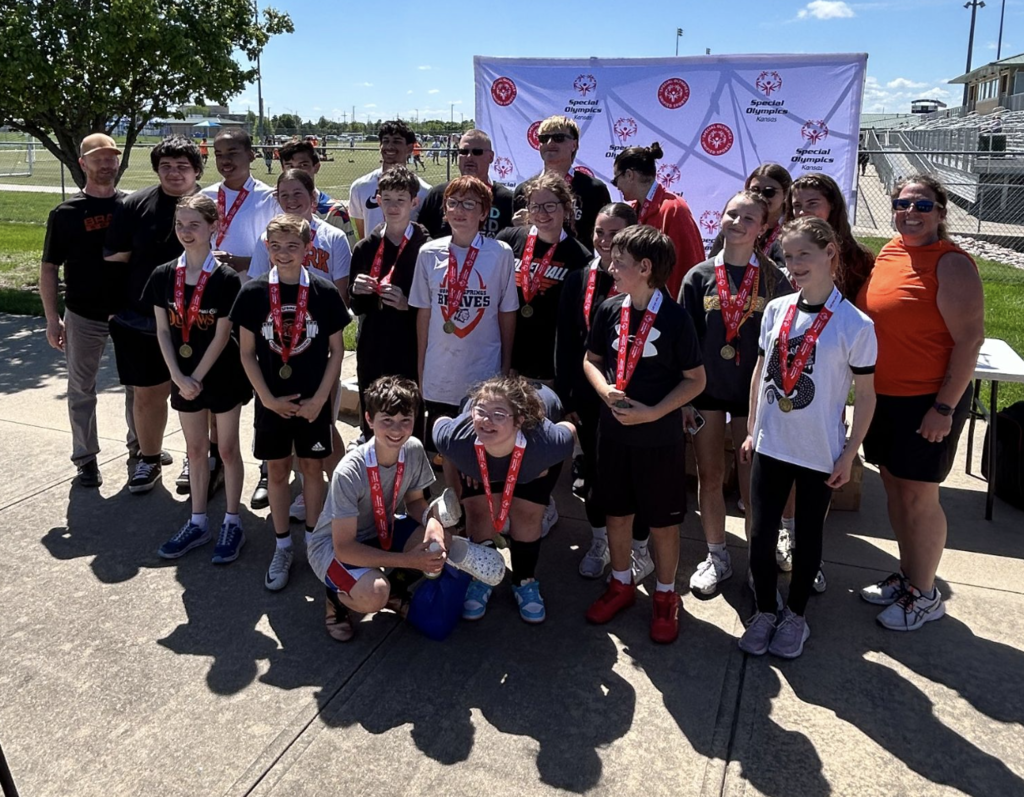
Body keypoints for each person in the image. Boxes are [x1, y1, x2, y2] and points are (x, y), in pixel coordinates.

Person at [738, 216, 877, 658]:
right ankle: (765, 610)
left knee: (808, 537)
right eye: (788, 256)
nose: (794, 264)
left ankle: (796, 615)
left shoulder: (855, 324)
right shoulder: (776, 309)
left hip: (820, 451)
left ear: (830, 253)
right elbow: (760, 371)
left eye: (804, 255)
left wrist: (849, 454)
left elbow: (867, 397)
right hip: (772, 443)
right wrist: (751, 429)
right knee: (761, 533)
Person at [856, 175, 984, 631]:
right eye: (902, 203)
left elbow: (970, 341)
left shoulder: (951, 263)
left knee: (920, 497)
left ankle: (927, 595)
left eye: (922, 205)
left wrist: (944, 408)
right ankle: (910, 576)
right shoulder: (890, 251)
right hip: (884, 398)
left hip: (927, 401)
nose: (910, 212)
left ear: (941, 212)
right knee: (894, 488)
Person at [583, 226, 706, 643]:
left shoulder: (675, 318)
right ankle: (620, 583)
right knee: (616, 513)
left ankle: (666, 595)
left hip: (659, 441)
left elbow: (696, 380)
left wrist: (653, 413)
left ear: (646, 267)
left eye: (619, 262)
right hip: (614, 436)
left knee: (662, 523)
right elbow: (591, 359)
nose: (611, 268)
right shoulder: (608, 309)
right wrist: (605, 391)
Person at [680, 190, 790, 597]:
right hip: (706, 391)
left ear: (763, 228)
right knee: (709, 475)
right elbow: (684, 342)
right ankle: (717, 556)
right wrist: (684, 398)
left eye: (749, 218)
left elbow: (783, 342)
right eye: (732, 214)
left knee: (751, 485)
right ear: (721, 218)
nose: (738, 223)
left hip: (752, 396)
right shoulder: (699, 276)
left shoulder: (775, 278)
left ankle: (757, 562)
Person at [231, 215, 349, 592]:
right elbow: (246, 353)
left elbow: (337, 350)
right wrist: (266, 398)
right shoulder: (252, 293)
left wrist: (320, 400)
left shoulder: (323, 291)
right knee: (278, 471)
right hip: (271, 402)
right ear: (267, 247)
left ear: (307, 248)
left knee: (313, 470)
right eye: (277, 247)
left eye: (293, 246)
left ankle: (314, 543)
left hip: (312, 401)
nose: (284, 254)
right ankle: (283, 545)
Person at [557, 203, 661, 581]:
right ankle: (599, 540)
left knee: (638, 477)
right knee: (596, 474)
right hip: (591, 396)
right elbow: (567, 343)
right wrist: (567, 398)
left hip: (637, 399)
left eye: (614, 234)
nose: (604, 240)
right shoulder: (577, 279)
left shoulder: (647, 284)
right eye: (599, 232)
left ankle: (639, 547)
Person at [146, 195, 251, 562]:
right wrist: (178, 377)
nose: (186, 232)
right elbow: (163, 331)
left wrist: (196, 377)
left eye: (194, 225)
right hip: (183, 376)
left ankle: (232, 521)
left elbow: (223, 335)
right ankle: (198, 521)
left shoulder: (225, 278)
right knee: (194, 451)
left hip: (221, 375)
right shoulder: (163, 275)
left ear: (213, 227)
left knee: (226, 449)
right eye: (180, 224)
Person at [306, 377, 448, 642]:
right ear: (369, 420)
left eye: (405, 420)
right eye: (387, 420)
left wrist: (434, 525)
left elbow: (415, 502)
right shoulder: (349, 471)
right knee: (374, 595)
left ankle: (394, 591)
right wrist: (409, 560)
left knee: (439, 545)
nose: (397, 429)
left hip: (382, 529)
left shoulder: (413, 449)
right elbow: (344, 547)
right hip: (333, 547)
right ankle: (336, 599)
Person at [104, 135, 202, 493]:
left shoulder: (211, 204)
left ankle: (197, 459)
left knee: (197, 395)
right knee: (147, 395)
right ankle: (148, 458)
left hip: (199, 321)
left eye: (182, 166)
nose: (174, 173)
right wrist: (115, 312)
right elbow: (115, 259)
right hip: (141, 319)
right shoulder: (135, 204)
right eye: (166, 166)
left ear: (197, 170)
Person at [434, 377, 575, 623]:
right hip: (477, 459)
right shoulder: (457, 439)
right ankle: (481, 577)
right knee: (477, 511)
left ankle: (524, 580)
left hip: (531, 460)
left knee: (526, 514)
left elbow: (569, 430)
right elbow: (439, 423)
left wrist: (544, 466)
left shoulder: (546, 443)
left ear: (519, 420)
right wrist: (460, 467)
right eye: (481, 411)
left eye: (498, 415)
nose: (487, 421)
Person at [41, 133, 135, 487]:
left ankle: (142, 447)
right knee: (82, 389)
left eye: (111, 157)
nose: (106, 164)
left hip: (128, 313)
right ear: (83, 163)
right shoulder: (66, 213)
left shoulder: (131, 206)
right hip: (82, 314)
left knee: (137, 386)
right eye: (98, 158)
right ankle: (85, 457)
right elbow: (49, 267)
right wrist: (53, 319)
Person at [408, 176, 518, 449]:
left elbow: (507, 313)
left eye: (469, 204)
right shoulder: (428, 253)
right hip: (440, 372)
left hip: (483, 370)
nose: (459, 210)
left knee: (479, 449)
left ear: (484, 213)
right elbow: (424, 315)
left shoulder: (500, 253)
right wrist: (421, 369)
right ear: (444, 210)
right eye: (453, 203)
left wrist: (505, 366)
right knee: (441, 451)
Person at [349, 167, 429, 438]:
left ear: (414, 202)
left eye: (401, 200)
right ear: (377, 200)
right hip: (373, 345)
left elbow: (435, 305)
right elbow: (357, 307)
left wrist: (408, 304)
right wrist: (357, 291)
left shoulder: (426, 248)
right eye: (387, 199)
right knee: (374, 411)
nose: (393, 207)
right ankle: (372, 459)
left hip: (410, 346)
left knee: (409, 412)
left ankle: (413, 462)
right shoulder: (365, 248)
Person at [497, 172, 589, 387]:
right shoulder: (508, 239)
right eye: (535, 206)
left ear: (566, 208)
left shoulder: (579, 257)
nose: (541, 213)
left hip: (547, 363)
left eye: (549, 206)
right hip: (505, 355)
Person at [611, 142, 704, 298]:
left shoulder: (673, 209)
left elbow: (687, 264)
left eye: (616, 180)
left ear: (629, 175)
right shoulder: (634, 210)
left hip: (666, 306)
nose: (617, 186)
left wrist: (673, 308)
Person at [513, 115, 611, 251]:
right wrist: (519, 229)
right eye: (543, 139)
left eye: (558, 138)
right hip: (533, 262)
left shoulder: (594, 189)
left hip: (577, 263)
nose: (550, 143)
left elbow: (608, 235)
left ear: (574, 145)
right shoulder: (523, 190)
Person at [786, 174, 874, 301]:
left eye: (812, 203)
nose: (803, 212)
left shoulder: (858, 257)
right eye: (797, 205)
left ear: (832, 204)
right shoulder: (782, 249)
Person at [418, 130, 515, 239]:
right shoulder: (438, 194)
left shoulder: (506, 199)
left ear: (491, 157)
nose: (469, 156)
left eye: (477, 152)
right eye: (463, 151)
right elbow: (422, 235)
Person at [349, 120, 430, 240]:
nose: (390, 146)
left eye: (396, 141)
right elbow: (362, 235)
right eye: (386, 141)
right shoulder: (360, 187)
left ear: (409, 148)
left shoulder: (424, 191)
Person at [710, 163, 792, 265]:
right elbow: (713, 265)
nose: (761, 197)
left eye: (769, 192)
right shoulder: (735, 225)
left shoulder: (794, 228)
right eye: (755, 191)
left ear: (786, 194)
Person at [278, 137, 354, 240]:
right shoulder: (273, 206)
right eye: (290, 166)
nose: (297, 171)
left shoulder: (334, 211)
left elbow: (348, 248)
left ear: (316, 167)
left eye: (303, 165)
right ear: (283, 169)